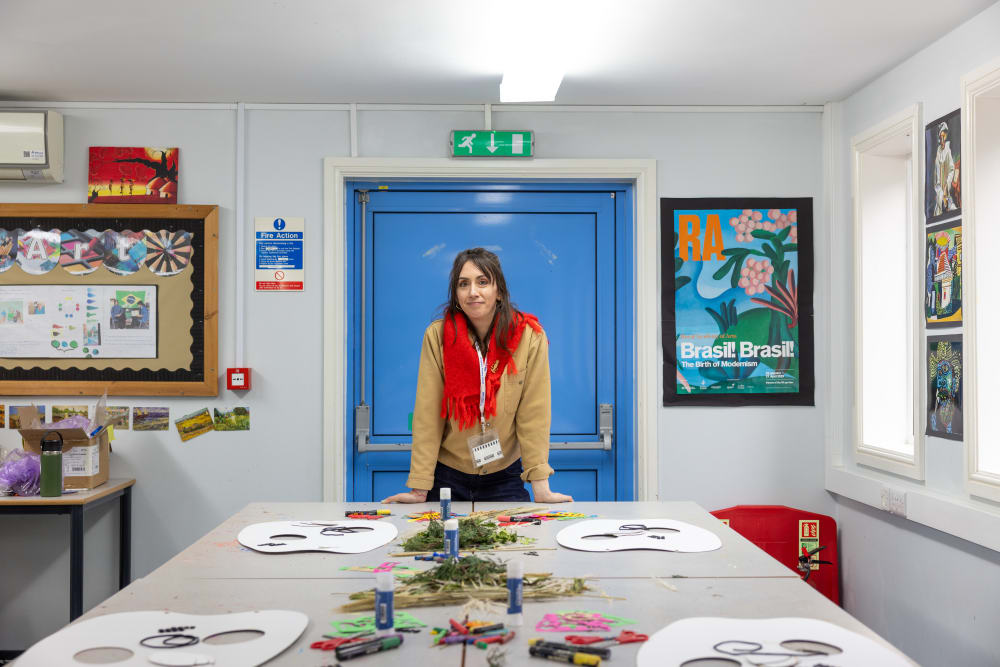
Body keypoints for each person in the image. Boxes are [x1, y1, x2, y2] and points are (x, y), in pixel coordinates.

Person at [382, 248, 572, 504]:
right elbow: (428, 416)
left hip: (504, 475)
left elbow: (534, 414)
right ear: (456, 295)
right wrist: (419, 487)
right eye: (463, 284)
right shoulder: (438, 337)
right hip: (448, 475)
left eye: (483, 282)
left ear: (499, 291)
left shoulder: (529, 337)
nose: (473, 291)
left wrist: (540, 486)